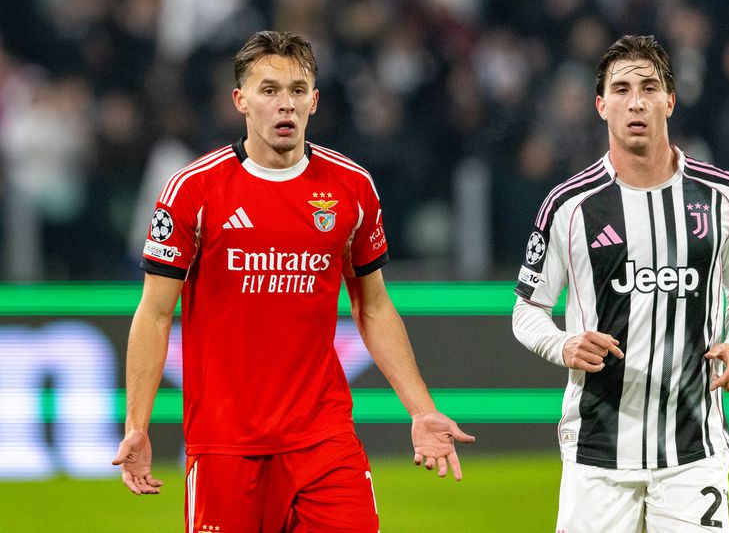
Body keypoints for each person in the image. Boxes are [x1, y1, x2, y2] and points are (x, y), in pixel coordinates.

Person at [112, 30, 474, 532]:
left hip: (324, 439)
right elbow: (153, 313)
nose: (286, 104)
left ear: (315, 100)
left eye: (298, 90)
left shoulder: (351, 187)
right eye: (269, 90)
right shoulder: (193, 190)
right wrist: (138, 425)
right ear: (240, 101)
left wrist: (422, 410)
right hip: (225, 444)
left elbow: (373, 307)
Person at [512, 35, 729, 532]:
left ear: (670, 100)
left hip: (693, 448)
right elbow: (526, 311)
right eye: (621, 89)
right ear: (601, 105)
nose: (636, 101)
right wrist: (563, 345)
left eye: (649, 87)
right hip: (598, 451)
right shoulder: (570, 206)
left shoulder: (721, 197)